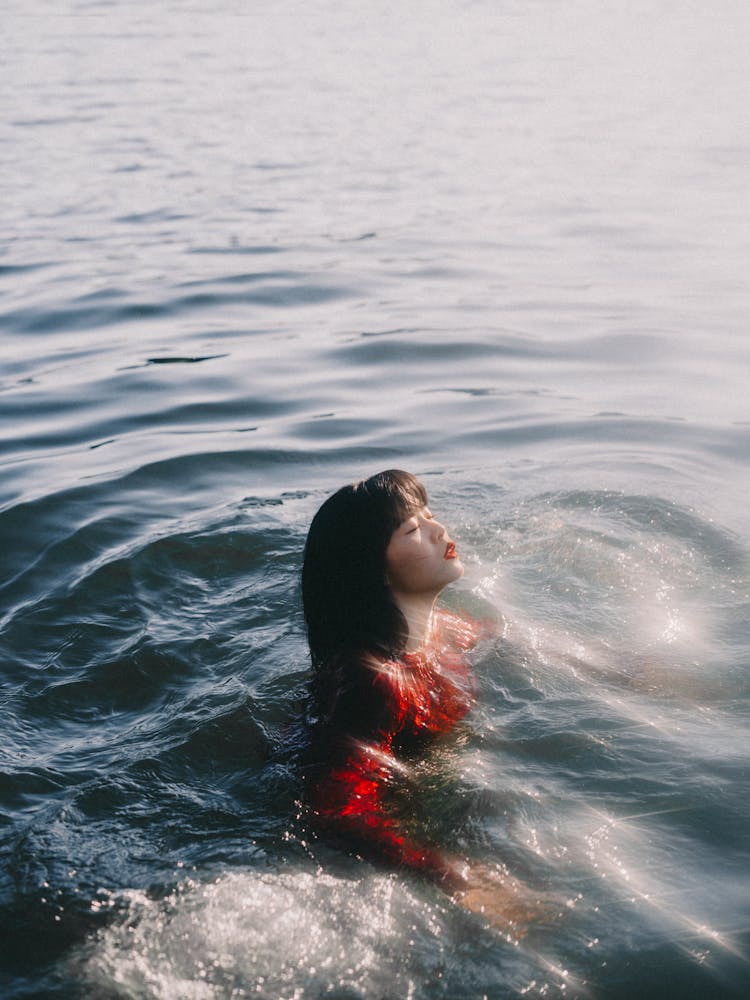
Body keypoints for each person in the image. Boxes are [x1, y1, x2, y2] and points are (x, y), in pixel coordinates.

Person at [301, 469, 549, 933]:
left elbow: (519, 645)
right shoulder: (375, 681)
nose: (439, 530)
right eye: (413, 530)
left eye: (430, 517)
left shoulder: (445, 631)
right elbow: (335, 810)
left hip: (432, 796)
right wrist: (453, 878)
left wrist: (629, 674)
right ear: (373, 570)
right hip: (373, 847)